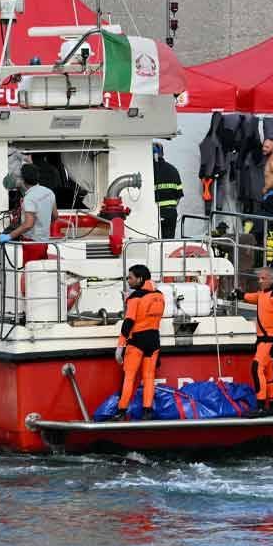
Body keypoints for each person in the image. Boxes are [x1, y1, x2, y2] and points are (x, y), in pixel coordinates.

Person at [231, 268, 273, 418]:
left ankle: (261, 406)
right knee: (268, 373)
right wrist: (240, 295)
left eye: (263, 278)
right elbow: (253, 297)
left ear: (271, 279)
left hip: (270, 340)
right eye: (259, 278)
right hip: (263, 340)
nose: (260, 281)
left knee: (256, 368)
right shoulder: (263, 294)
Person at [111, 264, 164, 421]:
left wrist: (120, 347)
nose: (128, 280)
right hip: (154, 340)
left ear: (140, 279)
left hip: (137, 342)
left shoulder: (134, 298)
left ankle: (121, 411)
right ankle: (147, 411)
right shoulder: (160, 296)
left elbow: (128, 323)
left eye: (130, 277)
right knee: (149, 377)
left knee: (129, 377)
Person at [0, 163, 58, 268]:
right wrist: (43, 223)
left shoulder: (29, 198)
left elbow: (28, 224)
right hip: (44, 243)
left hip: (31, 244)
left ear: (22, 180)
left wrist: (9, 236)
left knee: (30, 276)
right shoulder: (49, 192)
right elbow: (55, 216)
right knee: (40, 274)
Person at [153, 142, 183, 239]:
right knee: (168, 242)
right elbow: (179, 195)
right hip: (171, 212)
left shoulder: (151, 170)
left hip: (156, 213)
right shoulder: (173, 170)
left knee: (155, 241)